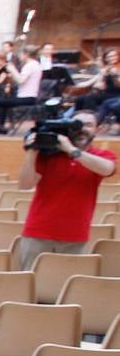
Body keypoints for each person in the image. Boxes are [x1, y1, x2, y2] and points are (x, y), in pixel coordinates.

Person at [16, 111, 116, 268]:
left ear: (98, 129)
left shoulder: (102, 155)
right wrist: (31, 153)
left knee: (67, 285)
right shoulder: (48, 155)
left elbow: (107, 169)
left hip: (76, 235)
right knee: (29, 283)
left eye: (88, 125)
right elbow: (25, 185)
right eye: (77, 124)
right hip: (38, 232)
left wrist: (71, 150)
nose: (82, 128)